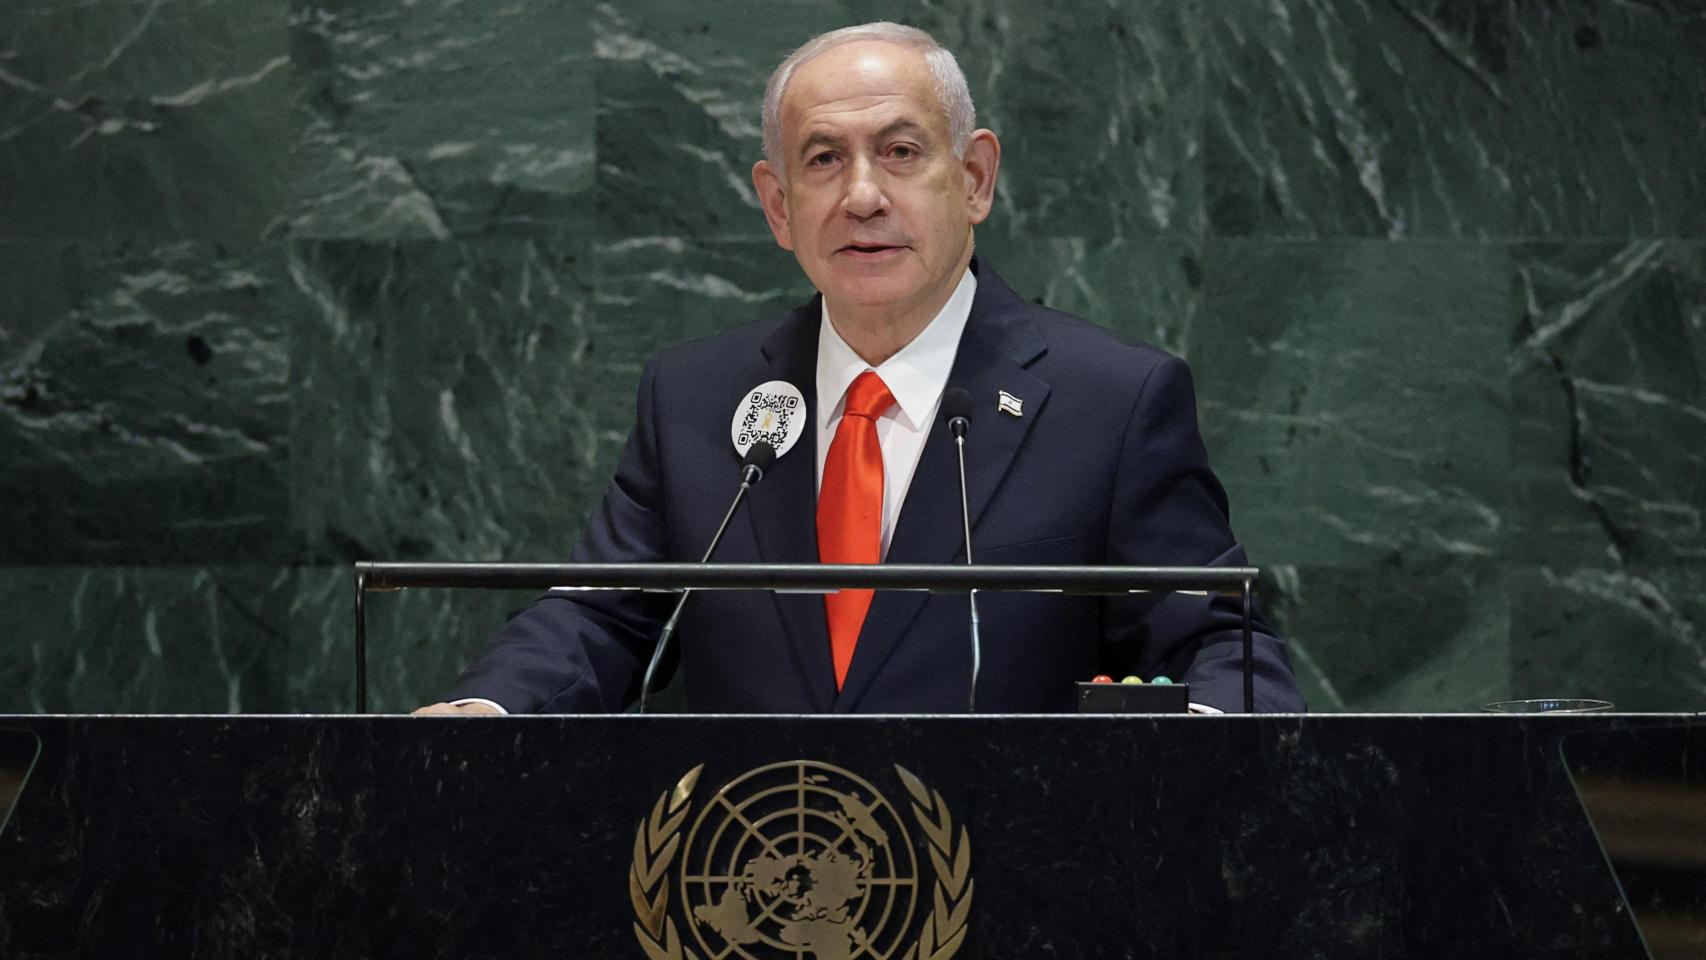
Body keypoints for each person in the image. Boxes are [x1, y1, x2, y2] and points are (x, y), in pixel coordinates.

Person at [415, 22, 1304, 716]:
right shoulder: (696, 398)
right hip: (746, 875)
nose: (863, 195)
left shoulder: (1109, 402)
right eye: (824, 159)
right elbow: (602, 615)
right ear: (778, 206)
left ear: (975, 179)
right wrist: (488, 711)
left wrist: (1205, 751)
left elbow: (1216, 645)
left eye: (902, 152)